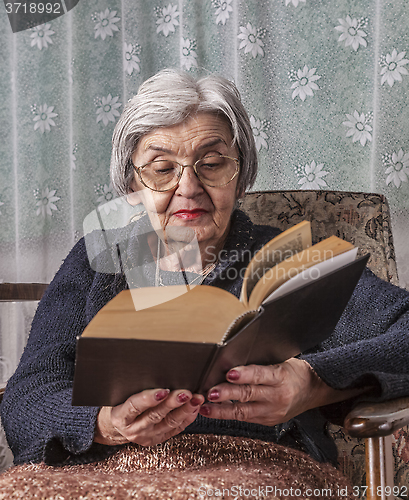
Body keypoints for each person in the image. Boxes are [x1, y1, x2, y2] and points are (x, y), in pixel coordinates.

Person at [1, 69, 409, 469]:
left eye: (211, 163)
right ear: (132, 185)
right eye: (162, 169)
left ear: (240, 176)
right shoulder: (97, 261)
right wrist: (105, 424)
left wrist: (312, 384)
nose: (189, 188)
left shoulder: (289, 260)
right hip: (102, 471)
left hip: (256, 469)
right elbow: (27, 394)